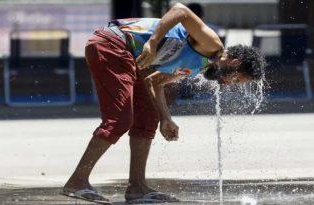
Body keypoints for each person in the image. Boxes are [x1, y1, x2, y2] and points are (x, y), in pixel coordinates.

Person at [62, 2, 266, 204]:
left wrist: (165, 118)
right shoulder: (212, 44)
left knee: (148, 118)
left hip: (132, 57)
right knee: (120, 120)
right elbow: (181, 10)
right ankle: (77, 181)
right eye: (237, 79)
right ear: (235, 63)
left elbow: (155, 82)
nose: (230, 84)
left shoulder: (200, 66)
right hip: (113, 44)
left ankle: (137, 187)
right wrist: (152, 42)